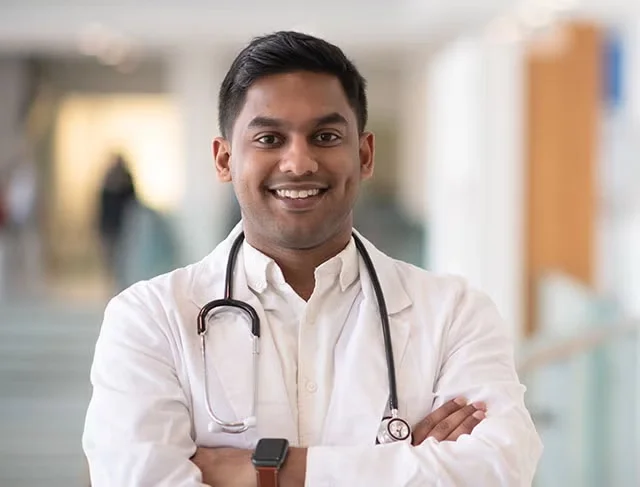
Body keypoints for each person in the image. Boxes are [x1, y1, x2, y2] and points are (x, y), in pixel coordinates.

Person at [82, 31, 542, 486]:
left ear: (364, 155)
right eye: (268, 139)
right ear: (224, 160)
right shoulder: (148, 319)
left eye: (324, 136)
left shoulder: (454, 314)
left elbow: (500, 469)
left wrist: (267, 471)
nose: (299, 162)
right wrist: (406, 467)